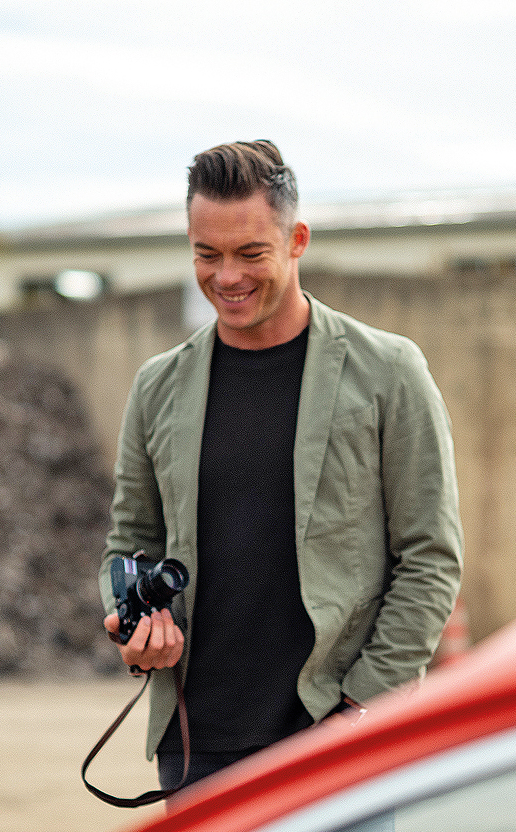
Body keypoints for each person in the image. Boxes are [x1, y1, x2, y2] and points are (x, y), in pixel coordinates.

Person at [100, 139, 462, 798]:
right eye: (206, 255)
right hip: (195, 750)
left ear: (297, 240)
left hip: (336, 742)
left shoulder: (388, 373)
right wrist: (133, 623)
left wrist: (364, 710)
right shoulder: (157, 387)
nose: (226, 277)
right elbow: (129, 543)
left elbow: (430, 555)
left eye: (250, 253)